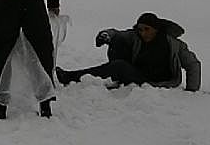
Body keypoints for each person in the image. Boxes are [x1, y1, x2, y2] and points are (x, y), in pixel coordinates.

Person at [55, 12, 201, 91]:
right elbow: (117, 34)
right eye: (140, 29)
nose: (143, 33)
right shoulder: (136, 36)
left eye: (147, 29)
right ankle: (116, 77)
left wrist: (192, 91)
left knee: (119, 66)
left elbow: (193, 64)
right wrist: (105, 35)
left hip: (157, 82)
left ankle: (70, 77)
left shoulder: (174, 44)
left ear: (156, 29)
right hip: (138, 74)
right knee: (117, 42)